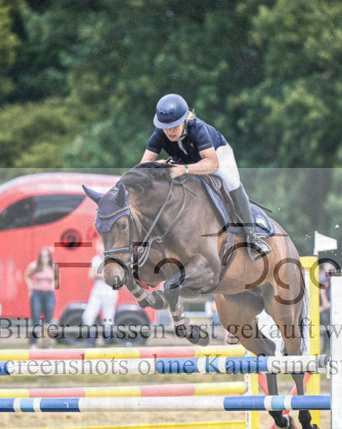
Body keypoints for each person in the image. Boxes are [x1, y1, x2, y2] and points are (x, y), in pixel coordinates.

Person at [140, 93, 271, 260]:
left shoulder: (198, 128)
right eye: (166, 127)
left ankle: (252, 236)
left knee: (231, 183)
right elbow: (142, 166)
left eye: (174, 126)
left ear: (184, 120)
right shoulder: (160, 133)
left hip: (216, 157)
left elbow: (212, 164)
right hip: (185, 160)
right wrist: (156, 165)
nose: (169, 131)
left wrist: (185, 169)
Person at [82, 238, 118, 345]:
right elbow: (91, 275)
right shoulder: (96, 259)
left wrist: (100, 275)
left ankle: (106, 344)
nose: (98, 248)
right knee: (88, 316)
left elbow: (114, 277)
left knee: (108, 318)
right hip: (98, 291)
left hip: (110, 292)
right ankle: (90, 342)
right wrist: (104, 275)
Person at [25, 247, 59, 347]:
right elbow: (27, 276)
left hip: (49, 294)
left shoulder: (53, 267)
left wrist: (53, 285)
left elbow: (57, 279)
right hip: (37, 294)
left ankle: (47, 344)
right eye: (43, 256)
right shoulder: (34, 266)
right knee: (36, 319)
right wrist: (31, 288)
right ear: (40, 257)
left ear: (49, 257)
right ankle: (34, 343)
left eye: (46, 256)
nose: (45, 258)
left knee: (48, 320)